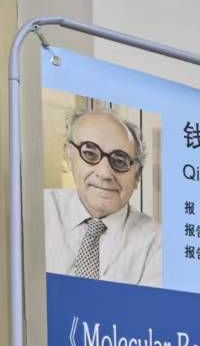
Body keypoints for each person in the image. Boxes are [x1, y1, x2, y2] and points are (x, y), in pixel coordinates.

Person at [44, 108, 163, 286]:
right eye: (90, 154)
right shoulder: (36, 210)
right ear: (69, 156)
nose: (105, 173)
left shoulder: (157, 242)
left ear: (137, 175)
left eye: (120, 161)